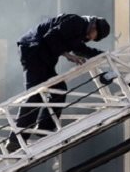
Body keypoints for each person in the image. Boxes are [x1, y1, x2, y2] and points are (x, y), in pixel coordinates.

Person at [7, 14, 111, 151]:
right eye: (95, 36)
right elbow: (51, 37)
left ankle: (45, 128)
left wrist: (104, 55)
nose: (92, 39)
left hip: (43, 56)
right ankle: (16, 139)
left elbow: (80, 49)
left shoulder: (80, 31)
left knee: (59, 89)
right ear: (94, 27)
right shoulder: (77, 22)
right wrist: (69, 56)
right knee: (36, 95)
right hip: (34, 51)